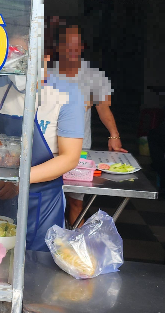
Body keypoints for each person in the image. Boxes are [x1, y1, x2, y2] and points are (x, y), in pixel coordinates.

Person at [0, 53, 84, 251]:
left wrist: (20, 181)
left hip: (41, 201)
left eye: (23, 58)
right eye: (11, 57)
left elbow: (69, 158)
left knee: (36, 263)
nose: (16, 64)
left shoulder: (67, 94)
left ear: (44, 57)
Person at [48, 22, 125, 226]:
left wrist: (114, 135)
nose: (72, 50)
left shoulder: (95, 76)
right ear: (58, 47)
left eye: (77, 45)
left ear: (82, 46)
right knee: (49, 199)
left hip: (78, 149)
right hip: (47, 147)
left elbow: (103, 107)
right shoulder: (46, 74)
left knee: (75, 203)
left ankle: (74, 245)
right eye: (67, 44)